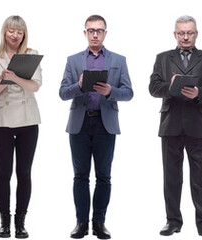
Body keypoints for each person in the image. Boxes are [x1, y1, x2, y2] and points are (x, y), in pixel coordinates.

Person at [148, 15, 202, 239]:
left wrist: (200, 92)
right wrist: (171, 87)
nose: (185, 37)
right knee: (171, 176)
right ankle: (172, 221)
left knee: (200, 177)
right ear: (175, 34)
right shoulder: (163, 58)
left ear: (196, 34)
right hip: (171, 123)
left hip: (198, 123)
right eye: (181, 33)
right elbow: (153, 87)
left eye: (189, 33)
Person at [59, 15, 133, 240]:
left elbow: (129, 93)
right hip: (80, 124)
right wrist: (79, 86)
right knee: (80, 176)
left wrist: (110, 91)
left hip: (105, 123)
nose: (94, 34)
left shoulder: (118, 60)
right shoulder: (73, 61)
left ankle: (99, 223)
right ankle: (81, 223)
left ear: (105, 33)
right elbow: (63, 93)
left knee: (104, 176)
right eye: (90, 30)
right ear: (84, 33)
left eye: (99, 30)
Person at [0, 15, 41, 239]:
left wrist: (15, 77)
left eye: (19, 31)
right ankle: (4, 222)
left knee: (24, 172)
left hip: (28, 120)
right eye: (11, 31)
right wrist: (3, 81)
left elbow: (35, 86)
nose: (15, 35)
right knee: (4, 172)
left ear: (23, 34)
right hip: (2, 121)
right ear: (4, 32)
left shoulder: (32, 55)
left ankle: (21, 222)